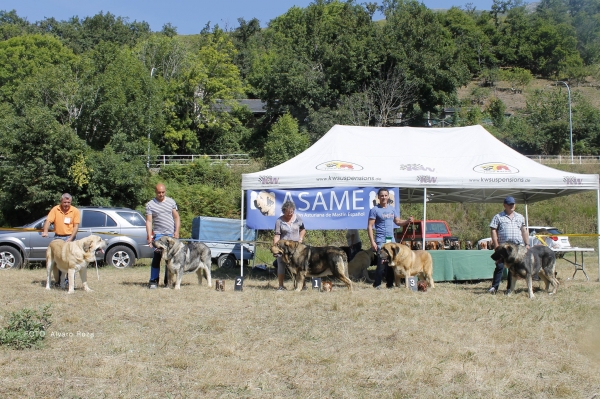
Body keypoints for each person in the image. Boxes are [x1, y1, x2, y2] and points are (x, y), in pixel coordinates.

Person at [367, 188, 414, 289]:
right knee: (381, 263)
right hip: (380, 241)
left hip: (391, 241)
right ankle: (377, 284)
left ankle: (390, 284)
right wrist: (372, 242)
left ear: (388, 197)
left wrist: (407, 221)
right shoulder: (374, 210)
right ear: (378, 197)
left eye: (385, 195)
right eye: (381, 195)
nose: (384, 197)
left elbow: (397, 222)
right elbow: (370, 226)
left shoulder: (392, 209)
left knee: (392, 263)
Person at [489, 196, 530, 295]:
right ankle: (494, 287)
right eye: (509, 204)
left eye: (513, 204)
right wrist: (496, 245)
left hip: (517, 247)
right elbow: (493, 230)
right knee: (499, 266)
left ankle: (509, 289)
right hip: (504, 247)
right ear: (504, 205)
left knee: (513, 268)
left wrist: (527, 244)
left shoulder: (520, 217)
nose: (512, 206)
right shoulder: (498, 217)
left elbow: (524, 230)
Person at [146, 183, 180, 289]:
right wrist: (149, 236)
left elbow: (176, 218)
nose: (161, 194)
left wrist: (177, 231)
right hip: (158, 235)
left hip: (170, 234)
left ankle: (168, 281)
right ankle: (153, 281)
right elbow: (149, 221)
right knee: (157, 257)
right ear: (155, 192)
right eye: (159, 192)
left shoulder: (171, 202)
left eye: (163, 192)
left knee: (169, 259)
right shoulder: (150, 204)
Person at [273, 200, 306, 291]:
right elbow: (277, 235)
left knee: (299, 266)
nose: (290, 214)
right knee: (280, 264)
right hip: (283, 248)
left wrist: (301, 238)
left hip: (296, 248)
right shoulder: (279, 221)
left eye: (292, 212)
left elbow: (303, 230)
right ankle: (281, 286)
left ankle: (301, 285)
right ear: (283, 211)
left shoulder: (298, 218)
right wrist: (275, 247)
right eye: (288, 213)